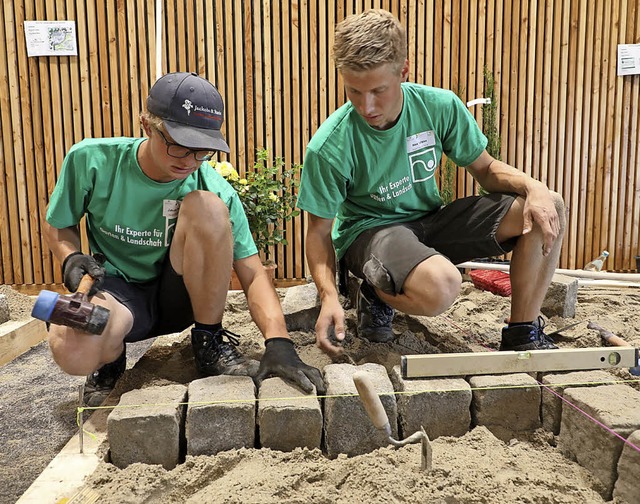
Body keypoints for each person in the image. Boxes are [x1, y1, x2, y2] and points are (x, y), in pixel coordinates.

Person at [44, 71, 324, 406]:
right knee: (68, 346)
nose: (190, 162)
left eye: (202, 151)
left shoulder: (211, 187)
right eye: (179, 147)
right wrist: (71, 257)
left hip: (183, 297)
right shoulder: (92, 161)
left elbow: (251, 274)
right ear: (147, 126)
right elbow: (59, 225)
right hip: (118, 293)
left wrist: (280, 343)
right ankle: (110, 357)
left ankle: (208, 343)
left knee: (207, 208)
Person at [296, 10, 565, 357]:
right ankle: (374, 293)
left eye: (378, 90)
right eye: (354, 91)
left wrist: (533, 188)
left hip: (431, 220)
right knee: (443, 285)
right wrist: (329, 296)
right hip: (372, 232)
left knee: (548, 206)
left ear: (404, 71)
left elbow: (485, 170)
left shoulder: (439, 106)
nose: (367, 106)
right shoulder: (330, 145)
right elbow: (318, 233)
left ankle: (522, 332)